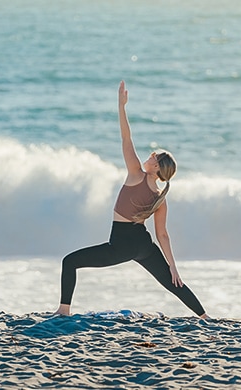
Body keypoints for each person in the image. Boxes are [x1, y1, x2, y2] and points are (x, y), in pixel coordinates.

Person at [53, 81, 207, 318]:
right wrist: (173, 268)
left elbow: (126, 139)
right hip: (144, 246)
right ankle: (205, 317)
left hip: (121, 245)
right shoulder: (160, 197)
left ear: (156, 166)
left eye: (155, 156)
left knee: (69, 261)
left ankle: (64, 310)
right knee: (171, 282)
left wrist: (121, 106)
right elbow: (162, 235)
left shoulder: (136, 174)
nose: (151, 154)